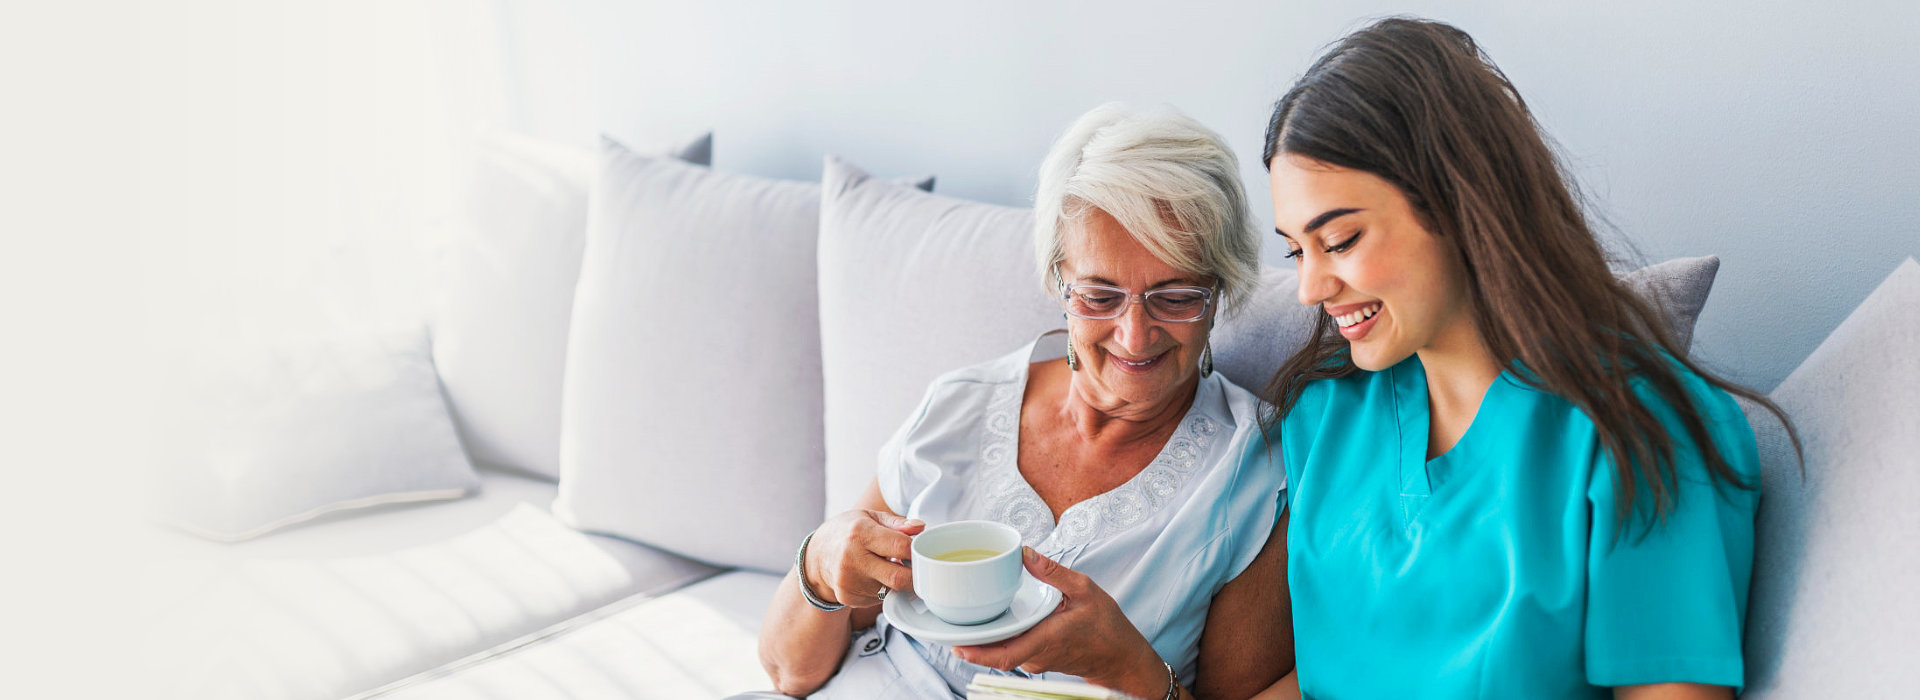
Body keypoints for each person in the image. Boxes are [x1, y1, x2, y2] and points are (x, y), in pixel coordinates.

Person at [1244, 17, 1799, 700]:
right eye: (1297, 249)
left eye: (1342, 239)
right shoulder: (1323, 419)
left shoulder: (1641, 430)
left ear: (1456, 200)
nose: (1309, 288)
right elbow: (1325, 681)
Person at [757, 103, 1293, 700]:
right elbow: (789, 674)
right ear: (1058, 283)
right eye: (1099, 295)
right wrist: (820, 563)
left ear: (1218, 291)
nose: (1134, 335)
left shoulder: (1256, 475)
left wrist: (1129, 667)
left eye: (1175, 297)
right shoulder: (959, 407)